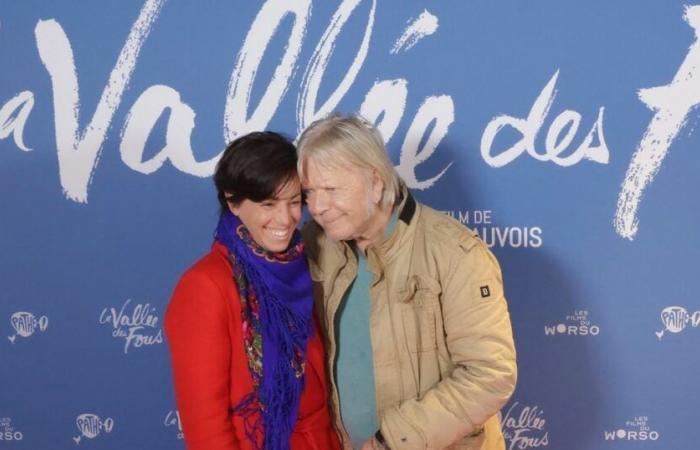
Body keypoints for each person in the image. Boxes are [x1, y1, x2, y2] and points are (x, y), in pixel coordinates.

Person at [297, 114, 517, 450]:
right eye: (309, 191)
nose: (317, 207)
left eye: (331, 189)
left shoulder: (455, 252)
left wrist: (390, 440)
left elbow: (490, 374)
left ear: (376, 182)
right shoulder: (314, 244)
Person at [165, 132, 341, 450]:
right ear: (233, 201)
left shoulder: (302, 264)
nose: (286, 219)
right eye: (268, 204)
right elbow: (206, 430)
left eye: (294, 202)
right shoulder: (205, 285)